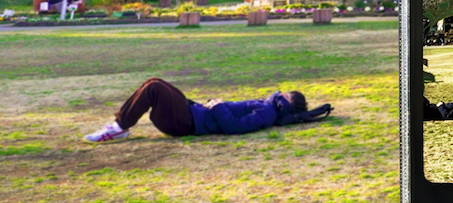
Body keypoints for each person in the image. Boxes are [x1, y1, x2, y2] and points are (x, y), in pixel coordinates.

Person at [84, 78, 310, 142]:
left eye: (286, 95)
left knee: (154, 87)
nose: (280, 93)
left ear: (287, 103)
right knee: (154, 83)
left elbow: (235, 128)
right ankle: (119, 125)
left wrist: (219, 106)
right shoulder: (266, 106)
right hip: (192, 113)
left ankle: (118, 128)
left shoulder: (267, 113)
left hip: (188, 123)